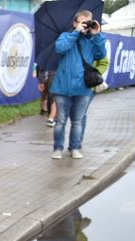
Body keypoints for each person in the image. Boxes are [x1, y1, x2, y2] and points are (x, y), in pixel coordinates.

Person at [50, 9, 106, 160]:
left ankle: (74, 148)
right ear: (75, 23)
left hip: (83, 89)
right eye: (83, 22)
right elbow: (60, 48)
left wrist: (96, 34)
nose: (86, 25)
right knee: (60, 121)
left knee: (77, 121)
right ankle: (57, 149)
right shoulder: (66, 36)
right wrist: (76, 32)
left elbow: (101, 54)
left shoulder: (92, 40)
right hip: (62, 88)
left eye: (89, 22)